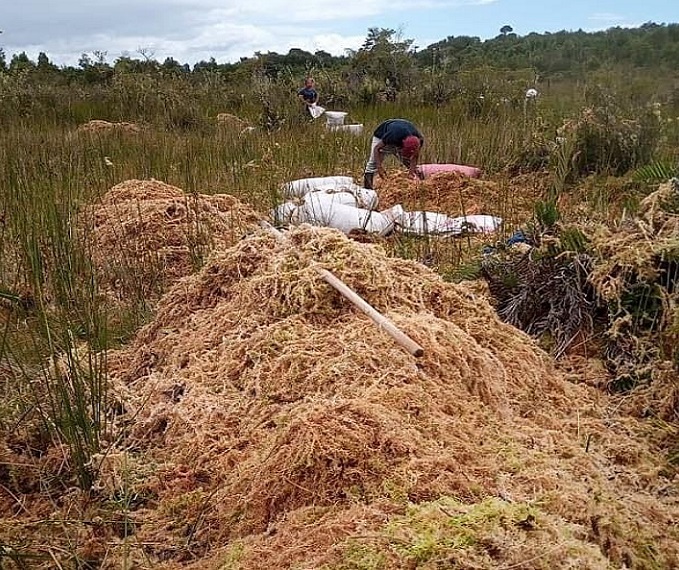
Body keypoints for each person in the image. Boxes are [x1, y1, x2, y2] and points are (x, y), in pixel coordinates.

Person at [363, 118, 424, 189]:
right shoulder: (392, 135)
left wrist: (411, 173)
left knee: (408, 163)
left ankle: (421, 184)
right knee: (372, 164)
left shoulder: (419, 140)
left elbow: (415, 157)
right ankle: (368, 190)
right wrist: (379, 167)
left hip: (401, 132)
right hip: (382, 134)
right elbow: (376, 149)